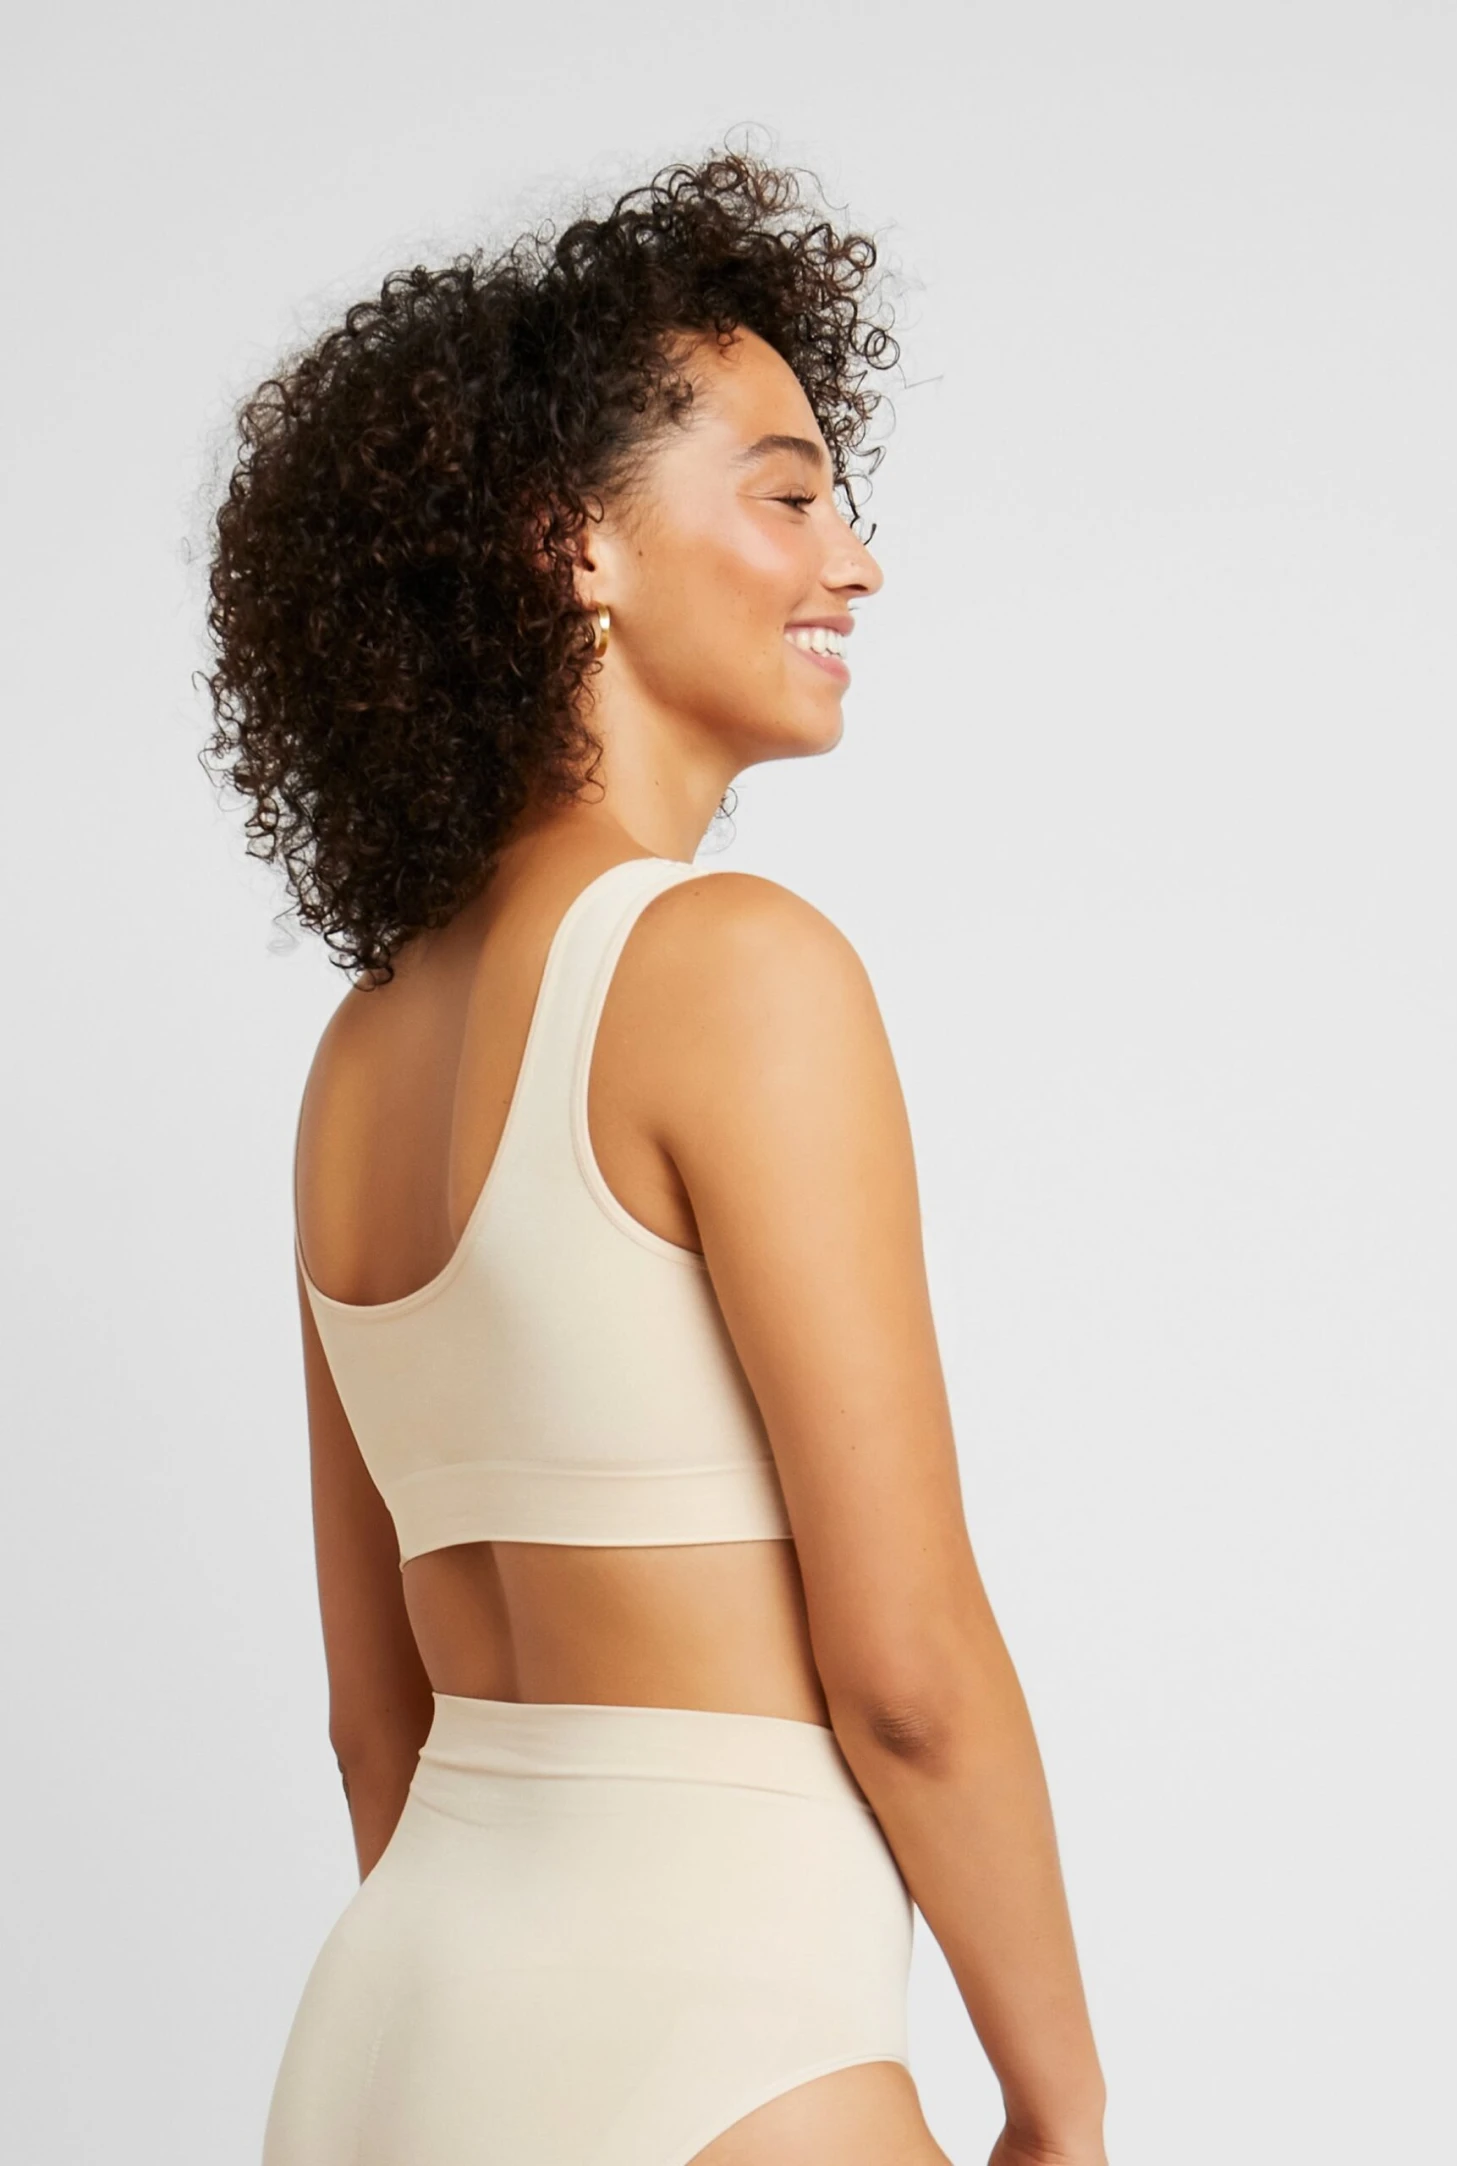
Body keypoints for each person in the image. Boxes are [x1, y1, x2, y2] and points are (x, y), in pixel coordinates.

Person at [203, 150, 1109, 2166]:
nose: (853, 563)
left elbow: (375, 1722)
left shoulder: (360, 1056)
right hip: (727, 2032)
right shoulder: (733, 969)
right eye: (788, 497)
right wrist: (1061, 2101)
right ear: (578, 544)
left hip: (388, 2034)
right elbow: (907, 1672)